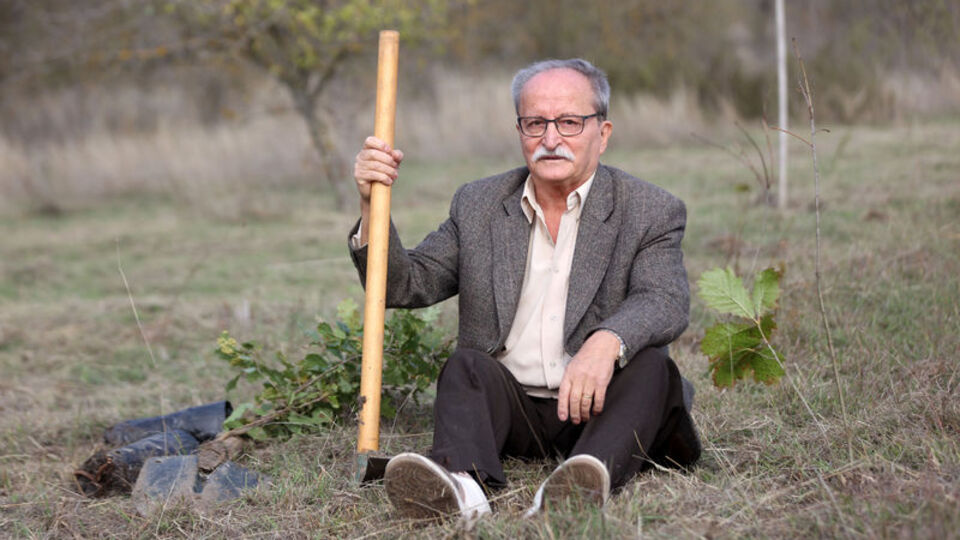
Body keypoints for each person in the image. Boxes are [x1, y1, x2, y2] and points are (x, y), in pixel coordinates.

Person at [349, 58, 700, 521]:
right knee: (466, 366)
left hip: (600, 407)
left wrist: (605, 343)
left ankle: (578, 483)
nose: (550, 139)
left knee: (652, 366)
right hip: (510, 411)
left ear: (604, 132)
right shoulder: (478, 204)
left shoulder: (651, 209)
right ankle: (464, 489)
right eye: (535, 123)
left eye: (570, 123)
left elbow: (665, 300)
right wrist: (372, 202)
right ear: (520, 130)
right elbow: (404, 285)